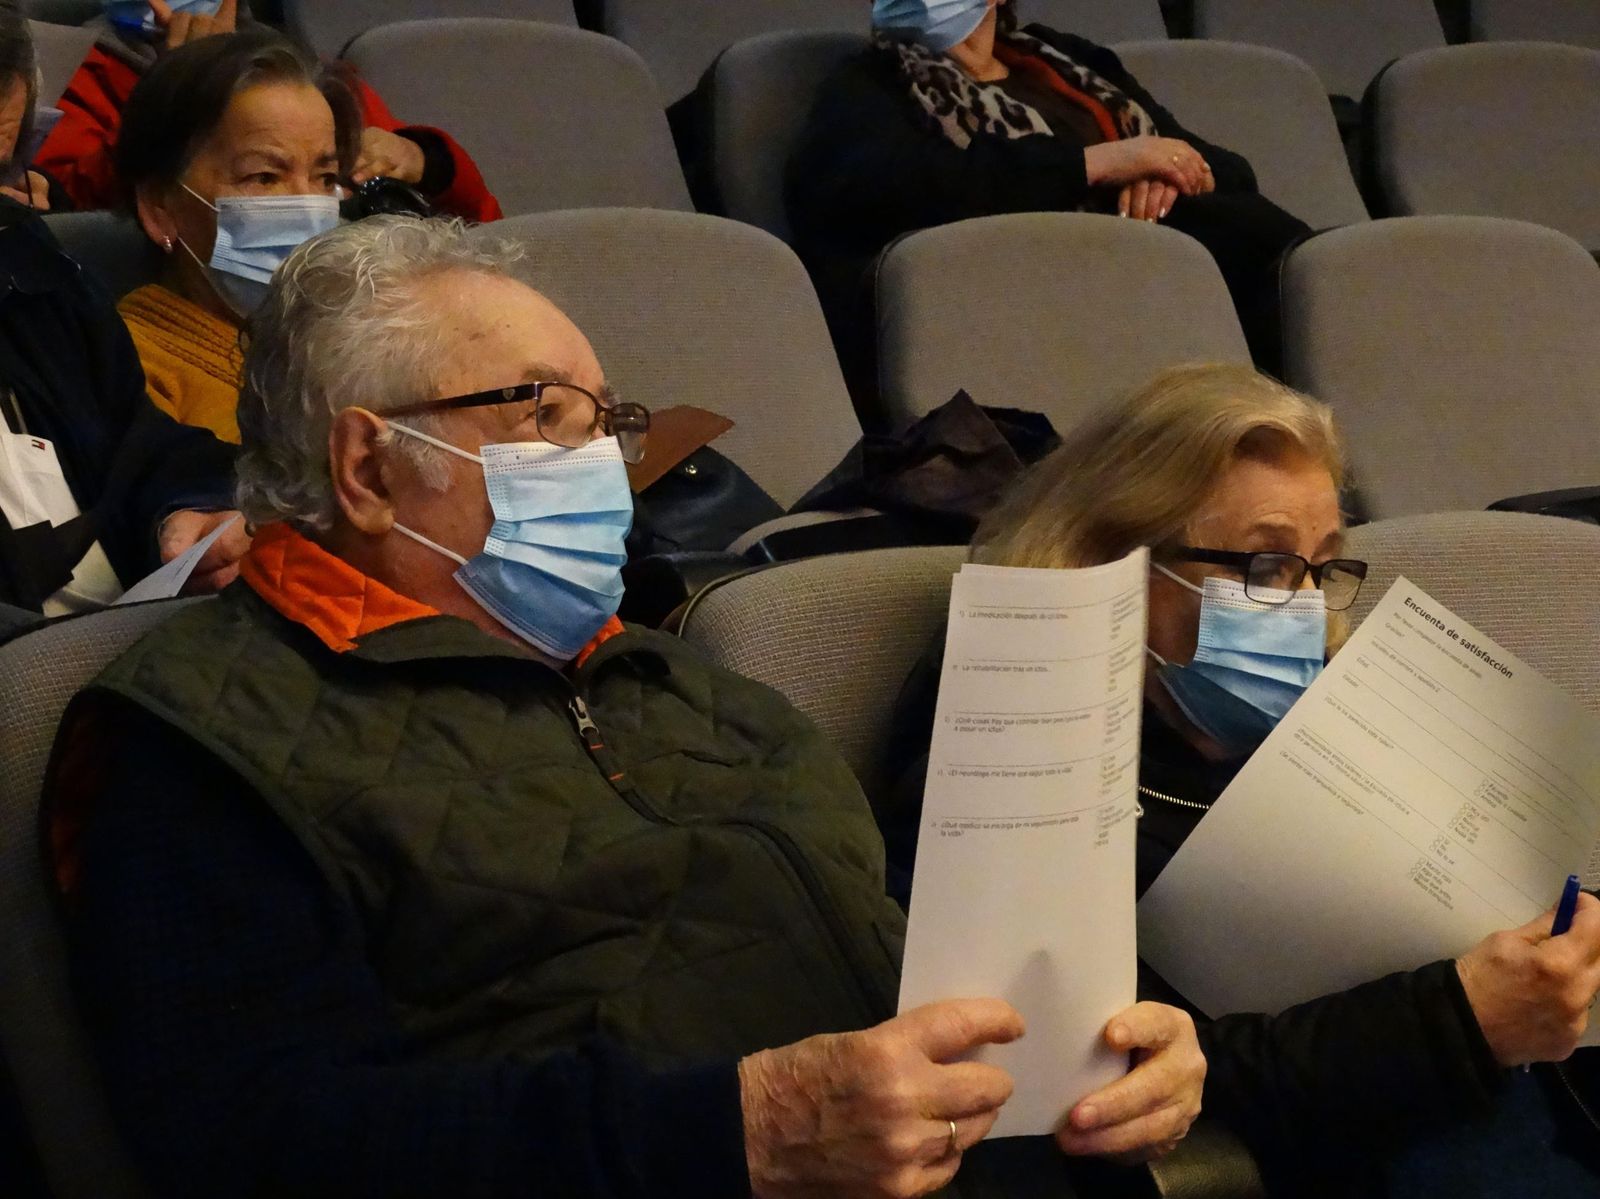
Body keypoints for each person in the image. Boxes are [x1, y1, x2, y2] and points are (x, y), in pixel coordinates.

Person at [44, 215, 1206, 1198]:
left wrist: (1110, 1043)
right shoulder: (202, 732)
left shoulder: (686, 679)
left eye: (606, 420)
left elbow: (912, 946)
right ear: (368, 465)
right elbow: (262, 1143)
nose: (601, 456)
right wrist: (742, 1128)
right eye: (544, 414)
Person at [884, 363, 1600, 1197]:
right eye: (1263, 566)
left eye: (1321, 565)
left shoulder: (1359, 712)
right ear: (1117, 561)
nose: (1304, 607)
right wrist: (1459, 1022)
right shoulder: (1014, 747)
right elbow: (1100, 1075)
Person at [787, 0, 1311, 372]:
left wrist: (1165, 174)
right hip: (1024, 290)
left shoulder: (1067, 60)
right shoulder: (871, 83)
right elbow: (889, 189)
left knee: (1282, 252)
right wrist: (1097, 163)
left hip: (1159, 261)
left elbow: (1227, 167)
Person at [110, 28, 369, 443]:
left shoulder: (356, 341)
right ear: (160, 208)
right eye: (264, 177)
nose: (307, 205)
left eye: (324, 178)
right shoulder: (128, 372)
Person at [36, 0, 501, 223]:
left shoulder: (299, 66)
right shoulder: (73, 65)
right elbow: (74, 218)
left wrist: (426, 161)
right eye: (266, 176)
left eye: (320, 177)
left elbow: (482, 224)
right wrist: (183, 91)